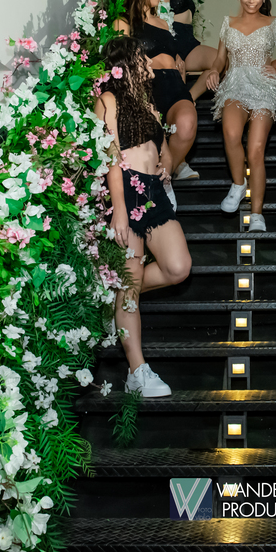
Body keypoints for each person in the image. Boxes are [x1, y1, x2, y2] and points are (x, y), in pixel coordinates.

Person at [94, 37, 193, 398]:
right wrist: (120, 209)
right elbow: (110, 156)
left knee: (178, 267)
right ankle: (138, 371)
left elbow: (164, 151)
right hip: (125, 190)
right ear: (125, 63)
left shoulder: (148, 103)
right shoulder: (108, 99)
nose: (150, 66)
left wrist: (166, 165)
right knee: (130, 284)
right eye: (143, 60)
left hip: (153, 192)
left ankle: (117, 294)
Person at [205, 0, 276, 232]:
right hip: (235, 86)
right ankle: (239, 184)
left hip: (263, 89)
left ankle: (257, 213)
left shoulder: (275, 23)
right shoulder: (228, 23)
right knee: (231, 133)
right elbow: (220, 58)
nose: (252, 0)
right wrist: (214, 69)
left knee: (256, 150)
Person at [113, 0, 198, 196]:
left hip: (174, 83)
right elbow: (122, 62)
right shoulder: (123, 22)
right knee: (154, 141)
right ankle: (159, 185)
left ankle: (164, 180)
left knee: (187, 124)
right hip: (147, 86)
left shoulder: (162, 21)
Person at [156, 0, 218, 116]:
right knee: (218, 60)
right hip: (174, 40)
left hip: (188, 39)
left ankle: (189, 98)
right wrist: (172, 52)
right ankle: (185, 100)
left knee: (220, 62)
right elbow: (162, 18)